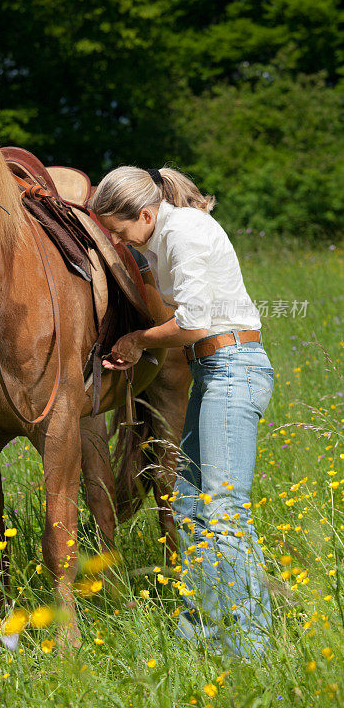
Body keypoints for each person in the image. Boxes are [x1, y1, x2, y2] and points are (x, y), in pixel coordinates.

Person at [90, 165, 274, 659]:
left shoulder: (187, 233)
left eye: (118, 229)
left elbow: (190, 324)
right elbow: (168, 309)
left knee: (223, 509)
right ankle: (206, 637)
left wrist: (136, 341)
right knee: (191, 507)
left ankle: (248, 646)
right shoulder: (159, 240)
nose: (114, 238)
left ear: (147, 213)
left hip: (233, 367)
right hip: (214, 372)